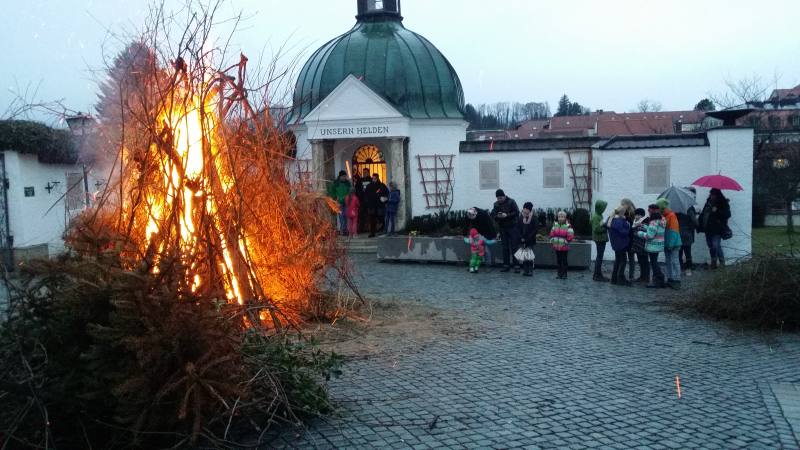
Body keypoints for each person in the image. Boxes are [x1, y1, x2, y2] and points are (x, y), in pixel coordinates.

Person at [698, 188, 732, 269]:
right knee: (711, 246)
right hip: (708, 228)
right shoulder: (708, 202)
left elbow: (727, 215)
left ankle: (720, 262)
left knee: (715, 246)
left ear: (717, 195)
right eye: (711, 194)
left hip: (717, 229)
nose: (711, 196)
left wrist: (717, 211)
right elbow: (704, 213)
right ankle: (715, 263)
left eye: (713, 194)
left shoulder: (723, 203)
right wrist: (699, 225)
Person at [491, 189, 521, 272]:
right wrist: (497, 216)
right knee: (505, 247)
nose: (499, 199)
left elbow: (516, 212)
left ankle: (516, 266)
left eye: (501, 197)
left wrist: (506, 215)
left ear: (504, 196)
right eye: (498, 198)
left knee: (514, 247)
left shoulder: (511, 201)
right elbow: (493, 214)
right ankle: (506, 265)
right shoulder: (496, 204)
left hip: (513, 227)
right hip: (503, 228)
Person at [639, 204, 666, 288]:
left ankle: (658, 279)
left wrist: (640, 233)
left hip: (652, 245)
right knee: (655, 262)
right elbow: (655, 230)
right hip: (658, 244)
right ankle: (658, 279)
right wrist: (645, 226)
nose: (648, 212)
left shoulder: (653, 221)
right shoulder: (662, 219)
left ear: (653, 211)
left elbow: (649, 236)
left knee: (654, 263)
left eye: (649, 210)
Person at [657, 198, 682, 289]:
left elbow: (674, 231)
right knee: (668, 262)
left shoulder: (672, 216)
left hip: (674, 244)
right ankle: (670, 278)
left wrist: (671, 244)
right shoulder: (664, 216)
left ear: (662, 207)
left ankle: (677, 280)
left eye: (658, 207)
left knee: (675, 261)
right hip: (667, 243)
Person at [677, 187, 699, 276]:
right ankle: (688, 269)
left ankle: (679, 268)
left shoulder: (677, 206)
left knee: (679, 252)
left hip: (678, 233)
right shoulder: (689, 208)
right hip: (687, 233)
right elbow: (695, 222)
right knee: (688, 252)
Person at [607, 207, 632, 286]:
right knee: (623, 261)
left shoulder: (612, 220)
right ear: (623, 212)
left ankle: (614, 279)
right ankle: (620, 278)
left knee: (617, 261)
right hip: (621, 244)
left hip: (615, 244)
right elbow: (624, 232)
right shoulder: (620, 221)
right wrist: (628, 226)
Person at [549, 210, 574, 279]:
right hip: (557, 245)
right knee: (559, 260)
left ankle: (564, 273)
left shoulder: (568, 225)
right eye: (559, 216)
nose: (561, 218)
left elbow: (570, 234)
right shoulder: (555, 224)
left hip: (564, 246)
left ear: (565, 217)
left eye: (562, 217)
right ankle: (559, 273)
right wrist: (552, 239)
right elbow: (552, 232)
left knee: (564, 260)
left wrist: (567, 240)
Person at [590, 199, 610, 282]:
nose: (604, 209)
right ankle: (597, 275)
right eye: (603, 208)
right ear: (600, 208)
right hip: (599, 239)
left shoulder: (599, 215)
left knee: (600, 257)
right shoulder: (596, 217)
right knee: (599, 257)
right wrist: (605, 227)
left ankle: (598, 274)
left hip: (601, 238)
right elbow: (596, 229)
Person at [364, 173, 388, 238]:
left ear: (377, 178)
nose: (374, 179)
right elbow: (365, 195)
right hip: (372, 205)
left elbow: (386, 193)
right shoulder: (369, 186)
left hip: (379, 205)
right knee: (372, 219)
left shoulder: (382, 185)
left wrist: (384, 198)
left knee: (381, 218)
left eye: (375, 178)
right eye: (373, 178)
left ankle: (382, 230)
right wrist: (367, 202)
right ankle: (372, 232)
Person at [518, 202, 538, 277]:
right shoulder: (521, 217)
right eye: (524, 208)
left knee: (529, 256)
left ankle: (530, 270)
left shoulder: (533, 217)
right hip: (522, 240)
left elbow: (535, 229)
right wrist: (521, 237)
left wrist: (528, 238)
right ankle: (525, 270)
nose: (525, 210)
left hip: (530, 240)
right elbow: (518, 228)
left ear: (530, 210)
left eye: (526, 209)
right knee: (524, 256)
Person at [327, 170, 351, 235]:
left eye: (345, 176)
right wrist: (335, 199)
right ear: (340, 176)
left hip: (346, 202)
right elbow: (332, 192)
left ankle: (345, 229)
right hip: (339, 202)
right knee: (341, 217)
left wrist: (348, 197)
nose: (344, 177)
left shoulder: (348, 183)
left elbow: (350, 191)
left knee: (346, 216)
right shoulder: (335, 183)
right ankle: (343, 230)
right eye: (343, 176)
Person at [631, 208, 650, 284]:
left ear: (642, 215)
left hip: (643, 245)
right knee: (640, 261)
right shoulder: (635, 222)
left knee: (645, 261)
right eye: (636, 214)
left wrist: (636, 231)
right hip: (638, 245)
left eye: (638, 215)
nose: (636, 216)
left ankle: (646, 277)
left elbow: (645, 232)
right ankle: (642, 276)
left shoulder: (645, 222)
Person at [620, 198, 637, 281]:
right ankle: (626, 275)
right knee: (627, 257)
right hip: (626, 237)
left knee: (630, 257)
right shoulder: (627, 212)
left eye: (622, 204)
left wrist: (624, 218)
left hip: (630, 237)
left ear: (627, 205)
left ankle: (631, 275)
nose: (621, 206)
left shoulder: (632, 213)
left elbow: (631, 225)